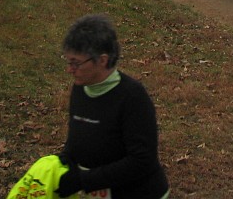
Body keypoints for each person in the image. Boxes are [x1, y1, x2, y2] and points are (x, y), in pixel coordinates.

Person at [56, 14, 170, 198]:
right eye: (69, 62)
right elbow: (78, 136)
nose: (70, 69)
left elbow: (142, 161)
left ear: (102, 60)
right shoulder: (81, 89)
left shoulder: (132, 96)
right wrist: (65, 159)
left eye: (76, 63)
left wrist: (84, 180)